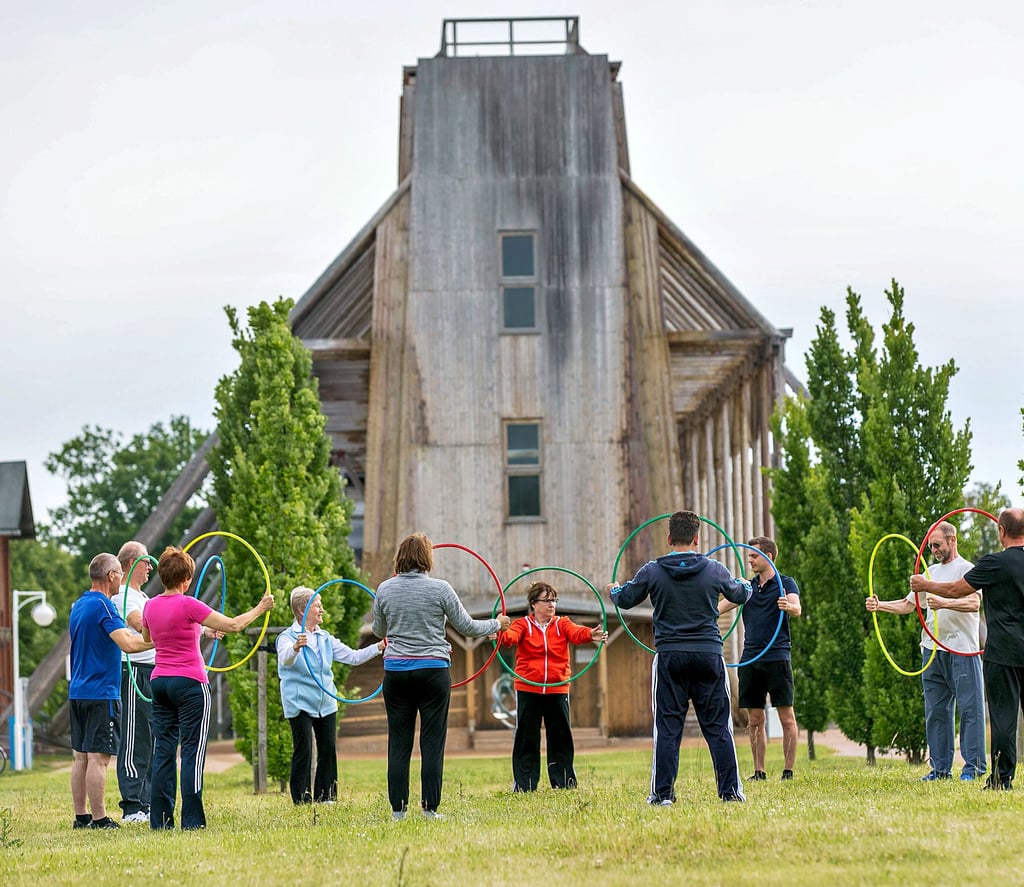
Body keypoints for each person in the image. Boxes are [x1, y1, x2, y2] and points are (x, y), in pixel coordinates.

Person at [607, 510, 752, 804]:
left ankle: (662, 796)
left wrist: (613, 591)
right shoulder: (715, 570)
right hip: (708, 654)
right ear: (697, 538)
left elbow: (625, 600)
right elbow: (739, 595)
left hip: (670, 656)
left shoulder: (652, 570)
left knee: (668, 730)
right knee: (718, 728)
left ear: (670, 538)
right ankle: (731, 794)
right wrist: (746, 584)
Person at [372, 532, 512, 820]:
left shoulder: (385, 588)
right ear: (427, 558)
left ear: (400, 558)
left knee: (398, 742)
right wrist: (496, 624)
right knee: (432, 742)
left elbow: (377, 630)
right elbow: (468, 626)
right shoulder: (441, 589)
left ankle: (398, 812)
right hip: (433, 671)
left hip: (396, 672)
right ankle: (429, 810)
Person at [142, 546, 275, 829]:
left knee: (163, 751)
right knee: (192, 751)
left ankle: (160, 821)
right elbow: (234, 625)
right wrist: (261, 608)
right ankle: (191, 822)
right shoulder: (189, 604)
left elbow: (148, 635)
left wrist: (198, 630)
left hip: (160, 682)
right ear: (187, 579)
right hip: (190, 683)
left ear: (163, 575)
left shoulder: (150, 605)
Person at [911, 508, 1024, 790]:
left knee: (1003, 718)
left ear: (1001, 531)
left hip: (1003, 653)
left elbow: (958, 591)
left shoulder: (993, 564)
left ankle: (1001, 779)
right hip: (1002, 651)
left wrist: (926, 585)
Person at [869, 520, 985, 781]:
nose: (933, 549)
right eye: (931, 545)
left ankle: (974, 768)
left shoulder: (967, 569)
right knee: (936, 711)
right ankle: (940, 769)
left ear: (952, 540)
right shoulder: (929, 572)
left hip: (961, 649)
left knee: (970, 710)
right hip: (931, 650)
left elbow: (973, 603)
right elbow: (909, 605)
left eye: (938, 544)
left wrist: (944, 602)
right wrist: (880, 606)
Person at [277, 585, 386, 804]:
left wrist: (380, 646)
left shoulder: (326, 638)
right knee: (304, 749)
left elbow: (354, 657)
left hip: (325, 700)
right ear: (302, 610)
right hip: (298, 702)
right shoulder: (287, 638)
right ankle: (301, 799)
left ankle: (326, 796)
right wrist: (296, 647)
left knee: (328, 748)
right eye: (318, 605)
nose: (322, 610)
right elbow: (284, 659)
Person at [495, 580, 608, 792]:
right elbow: (509, 638)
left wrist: (590, 634)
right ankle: (524, 784)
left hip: (557, 688)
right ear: (533, 603)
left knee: (560, 736)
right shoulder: (522, 625)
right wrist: (499, 632)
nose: (551, 605)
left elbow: (576, 633)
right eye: (546, 600)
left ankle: (564, 782)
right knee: (527, 737)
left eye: (554, 600)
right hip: (528, 689)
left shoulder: (561, 623)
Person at [69, 552, 154, 830]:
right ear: (111, 576)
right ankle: (100, 818)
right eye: (119, 574)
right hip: (100, 692)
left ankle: (81, 817)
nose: (121, 580)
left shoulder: (79, 605)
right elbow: (128, 644)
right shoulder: (104, 606)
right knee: (99, 758)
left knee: (80, 757)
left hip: (78, 691)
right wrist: (162, 642)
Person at [719, 536, 802, 782]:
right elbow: (719, 608)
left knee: (786, 717)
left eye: (754, 556)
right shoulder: (747, 587)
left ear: (769, 556)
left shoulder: (786, 583)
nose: (750, 560)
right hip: (750, 659)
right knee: (755, 719)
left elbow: (797, 608)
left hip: (777, 656)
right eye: (749, 556)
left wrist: (788, 605)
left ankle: (787, 772)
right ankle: (759, 772)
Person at [110, 540, 156, 823]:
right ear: (131, 564)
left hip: (152, 670)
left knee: (150, 738)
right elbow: (140, 624)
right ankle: (132, 806)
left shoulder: (145, 597)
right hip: (133, 672)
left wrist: (201, 631)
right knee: (133, 738)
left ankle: (147, 802)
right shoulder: (123, 596)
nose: (150, 566)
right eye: (146, 560)